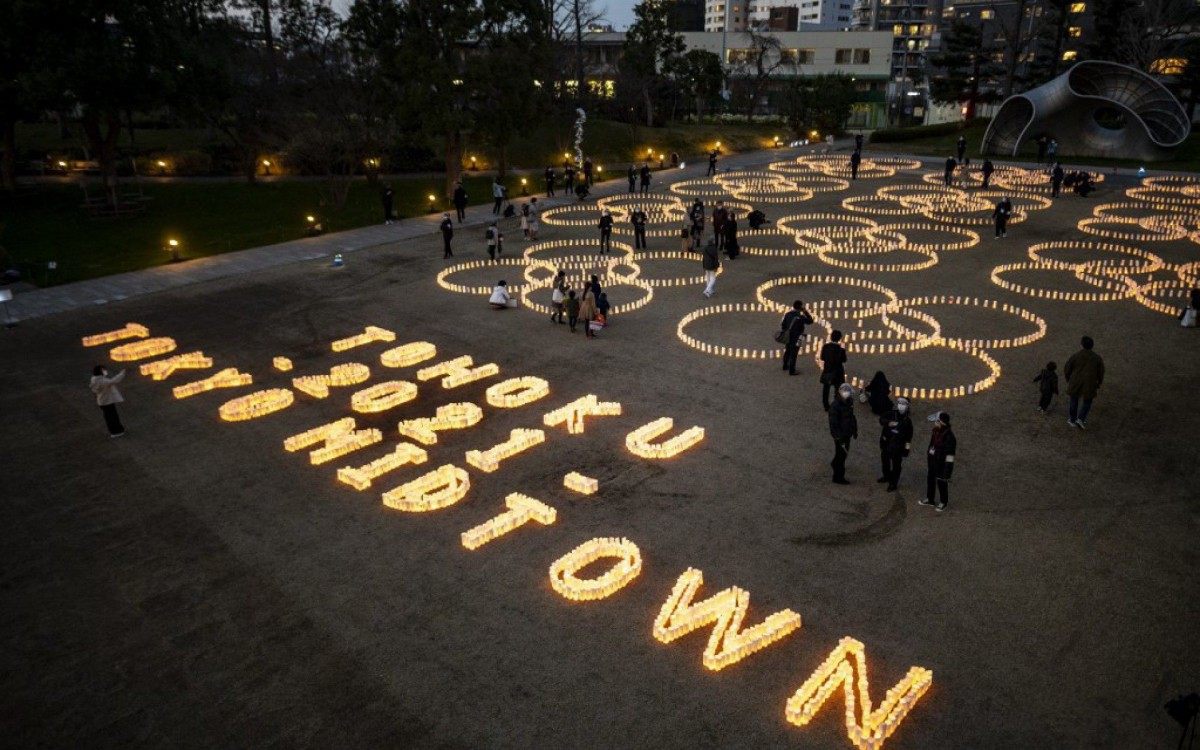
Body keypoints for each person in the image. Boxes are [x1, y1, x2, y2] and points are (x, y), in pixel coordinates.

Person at [1064, 335, 1104, 428]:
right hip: (1090, 382)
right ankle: (1081, 419)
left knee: (1074, 400)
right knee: (1087, 401)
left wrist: (1068, 379)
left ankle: (1072, 419)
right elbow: (1101, 372)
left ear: (1081, 345)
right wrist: (1099, 382)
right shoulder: (1097, 358)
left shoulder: (1076, 356)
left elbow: (1067, 368)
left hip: (1075, 381)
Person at [919, 412, 956, 511]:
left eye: (937, 421)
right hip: (933, 461)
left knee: (941, 483)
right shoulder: (936, 431)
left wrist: (947, 472)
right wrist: (929, 454)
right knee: (930, 480)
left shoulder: (950, 437)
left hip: (942, 464)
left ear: (942, 423)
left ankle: (943, 502)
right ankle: (930, 499)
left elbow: (950, 456)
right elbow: (932, 444)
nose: (935, 423)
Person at [877, 397, 913, 492]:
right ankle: (886, 476)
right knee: (885, 461)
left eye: (903, 404)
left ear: (907, 407)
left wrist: (906, 450)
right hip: (886, 444)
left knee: (896, 466)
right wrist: (888, 423)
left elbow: (908, 438)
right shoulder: (891, 414)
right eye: (900, 403)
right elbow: (881, 419)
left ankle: (893, 483)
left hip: (898, 448)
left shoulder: (907, 422)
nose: (901, 405)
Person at [828, 383, 858, 485]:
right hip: (840, 436)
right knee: (842, 456)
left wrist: (854, 430)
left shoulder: (849, 402)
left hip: (847, 433)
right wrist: (837, 437)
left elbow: (851, 417)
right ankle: (838, 477)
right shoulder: (835, 406)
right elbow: (833, 423)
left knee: (843, 454)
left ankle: (835, 464)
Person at [90, 365, 127, 437]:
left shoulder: (94, 379)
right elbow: (114, 380)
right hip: (107, 402)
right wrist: (122, 373)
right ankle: (116, 431)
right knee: (112, 417)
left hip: (102, 402)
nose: (105, 371)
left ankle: (117, 430)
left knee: (109, 417)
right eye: (103, 370)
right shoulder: (103, 381)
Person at [780, 300, 814, 376]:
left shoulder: (787, 314)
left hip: (788, 336)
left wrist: (786, 331)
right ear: (800, 307)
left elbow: (783, 325)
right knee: (794, 353)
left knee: (788, 350)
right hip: (797, 337)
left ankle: (785, 365)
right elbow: (810, 321)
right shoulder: (800, 317)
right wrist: (805, 312)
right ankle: (792, 370)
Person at [820, 330, 847, 411]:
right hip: (838, 371)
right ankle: (837, 404)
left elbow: (822, 357)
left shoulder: (825, 346)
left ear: (831, 337)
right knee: (837, 388)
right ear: (839, 339)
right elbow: (844, 360)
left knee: (826, 388)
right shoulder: (841, 349)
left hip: (827, 370)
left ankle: (826, 405)